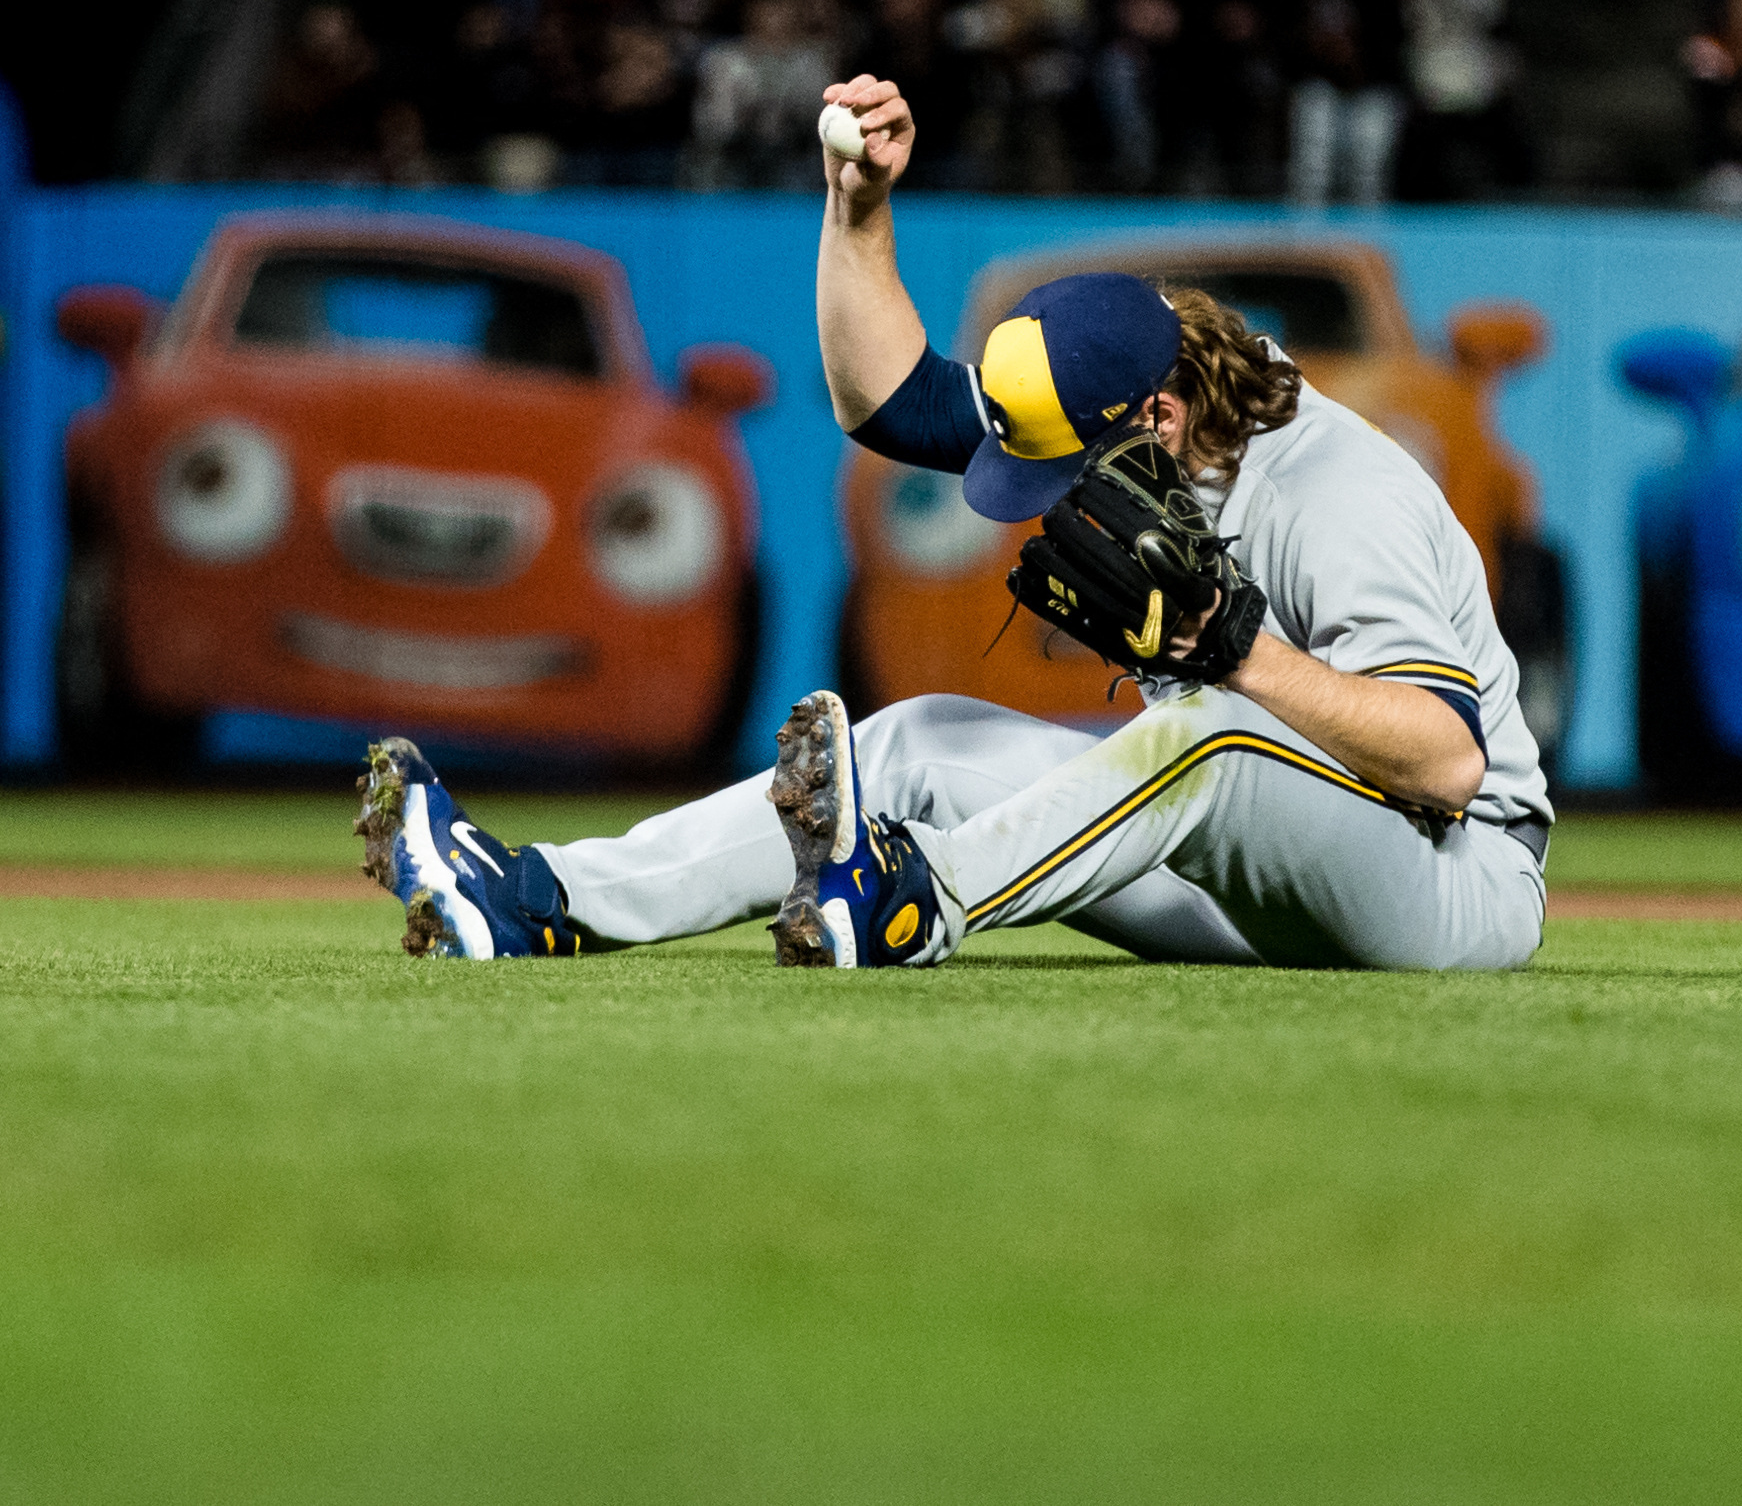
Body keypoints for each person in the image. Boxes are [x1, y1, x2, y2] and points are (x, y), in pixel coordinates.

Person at [352, 71, 1551, 973]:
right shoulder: (1114, 403)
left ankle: (916, 903)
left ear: (1160, 413)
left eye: (1077, 461)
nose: (1056, 492)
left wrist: (1236, 652)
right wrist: (858, 209)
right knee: (918, 737)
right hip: (1235, 868)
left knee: (1208, 732)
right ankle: (530, 901)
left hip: (1448, 881)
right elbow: (892, 402)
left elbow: (1445, 761)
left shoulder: (1342, 491)